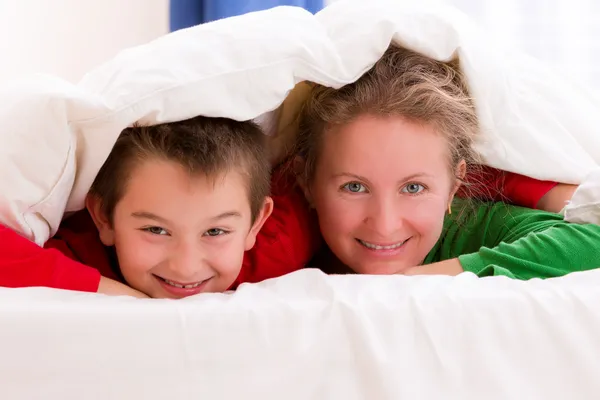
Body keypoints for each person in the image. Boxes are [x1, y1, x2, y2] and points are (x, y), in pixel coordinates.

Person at [291, 44, 599, 279]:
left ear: (454, 186)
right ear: (306, 182)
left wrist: (420, 279)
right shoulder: (279, 239)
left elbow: (592, 241)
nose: (385, 225)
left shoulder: (472, 226)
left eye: (413, 188)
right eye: (354, 187)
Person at [0, 116, 320, 298]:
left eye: (215, 231)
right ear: (103, 217)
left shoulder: (278, 245)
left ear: (255, 224)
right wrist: (108, 290)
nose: (186, 267)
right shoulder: (82, 256)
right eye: (156, 229)